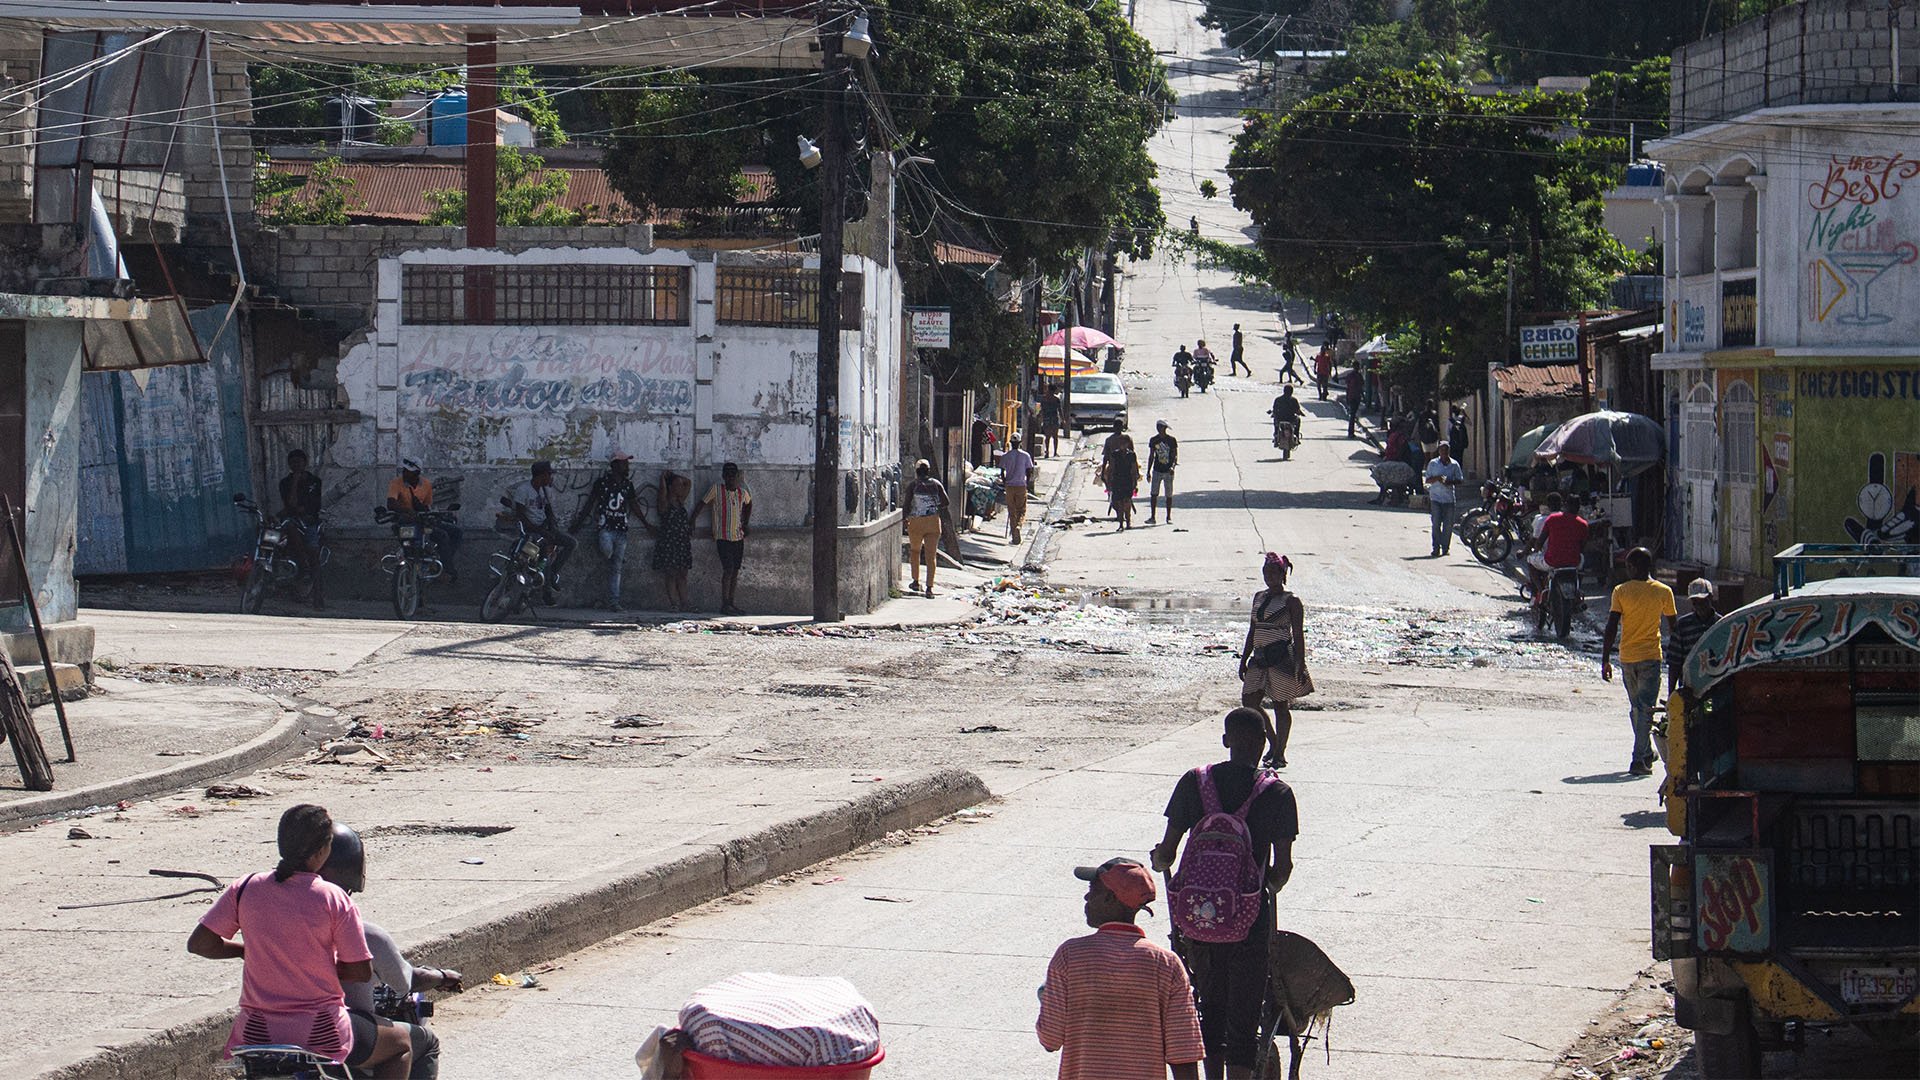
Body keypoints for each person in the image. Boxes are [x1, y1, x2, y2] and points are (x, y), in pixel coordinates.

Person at [187, 804, 412, 1078]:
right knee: (402, 1044)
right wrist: (316, 965)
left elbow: (200, 944)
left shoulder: (245, 887)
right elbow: (360, 971)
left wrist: (246, 951)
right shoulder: (333, 898)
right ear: (321, 852)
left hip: (255, 1033)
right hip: (321, 1032)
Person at [1152, 708, 1300, 1080]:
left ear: (1225, 740)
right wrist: (1265, 886)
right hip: (1249, 923)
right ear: (1264, 744)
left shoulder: (1194, 781)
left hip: (1197, 922)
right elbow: (1282, 869)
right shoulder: (1278, 792)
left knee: (1208, 1009)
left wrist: (1160, 859)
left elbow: (1167, 853)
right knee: (1244, 1016)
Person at [1037, 858, 1204, 1080]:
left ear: (1110, 898)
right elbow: (1183, 1053)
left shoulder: (1070, 956)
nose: (1087, 897)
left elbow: (1050, 1039)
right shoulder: (1166, 964)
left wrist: (1049, 1000)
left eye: (1092, 890)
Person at [318, 823, 458, 1080]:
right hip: (333, 1029)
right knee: (421, 1043)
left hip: (264, 1030)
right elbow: (407, 981)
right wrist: (441, 976)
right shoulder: (365, 933)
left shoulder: (272, 924)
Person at [1602, 547, 1678, 776]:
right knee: (1643, 710)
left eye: (1628, 566)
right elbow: (1674, 627)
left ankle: (1641, 756)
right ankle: (1642, 755)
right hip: (1651, 658)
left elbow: (1611, 626)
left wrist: (1605, 659)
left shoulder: (1621, 591)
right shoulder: (1664, 591)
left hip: (1627, 658)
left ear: (1634, 567)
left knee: (1638, 709)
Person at [1239, 553, 1312, 769]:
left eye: (1274, 572)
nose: (1269, 577)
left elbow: (1298, 635)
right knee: (1249, 702)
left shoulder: (1292, 601)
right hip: (1259, 656)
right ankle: (1272, 741)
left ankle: (1280, 752)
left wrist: (1300, 663)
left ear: (1283, 574)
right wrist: (1244, 658)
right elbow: (1252, 630)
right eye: (1266, 572)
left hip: (1281, 657)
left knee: (1281, 705)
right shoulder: (1259, 597)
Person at [569, 452, 642, 612]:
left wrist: (646, 524)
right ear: (615, 465)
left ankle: (614, 602)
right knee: (608, 553)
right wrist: (578, 523)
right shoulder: (601, 483)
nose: (627, 466)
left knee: (616, 568)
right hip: (605, 528)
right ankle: (617, 559)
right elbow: (590, 503)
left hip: (621, 530)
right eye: (624, 463)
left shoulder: (627, 485)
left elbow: (634, 505)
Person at [510, 460, 576, 606]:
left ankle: (552, 574)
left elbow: (547, 510)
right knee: (544, 554)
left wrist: (551, 526)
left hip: (543, 528)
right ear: (541, 475)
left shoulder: (544, 490)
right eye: (548, 475)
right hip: (530, 531)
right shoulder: (524, 490)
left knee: (570, 543)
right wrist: (540, 531)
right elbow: (520, 514)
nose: (550, 478)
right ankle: (546, 592)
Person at [387, 460, 460, 586]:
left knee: (456, 532)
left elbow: (427, 507)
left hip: (423, 521)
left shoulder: (426, 484)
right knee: (442, 535)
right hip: (406, 523)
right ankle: (446, 569)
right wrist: (408, 511)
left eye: (408, 472)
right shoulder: (396, 483)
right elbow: (391, 503)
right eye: (404, 471)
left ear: (417, 473)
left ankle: (444, 562)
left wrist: (428, 512)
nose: (404, 473)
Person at [694, 462, 753, 616]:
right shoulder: (717, 490)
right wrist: (692, 521)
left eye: (733, 476)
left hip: (737, 536)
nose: (730, 479)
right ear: (724, 476)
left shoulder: (742, 493)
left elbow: (749, 504)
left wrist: (745, 523)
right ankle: (725, 603)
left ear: (737, 477)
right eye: (728, 476)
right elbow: (702, 503)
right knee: (728, 570)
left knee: (735, 571)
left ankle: (731, 603)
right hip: (722, 536)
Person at [278, 449, 326, 608]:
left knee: (314, 554)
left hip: (310, 521)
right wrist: (295, 482)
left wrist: (303, 510)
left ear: (305, 463)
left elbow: (315, 505)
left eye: (299, 462)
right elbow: (290, 504)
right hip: (292, 519)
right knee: (285, 532)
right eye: (293, 463)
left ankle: (318, 598)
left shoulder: (314, 482)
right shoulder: (285, 483)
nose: (296, 465)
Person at [641, 471, 694, 613]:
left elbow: (688, 482)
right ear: (670, 487)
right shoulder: (664, 503)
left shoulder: (680, 501)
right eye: (677, 485)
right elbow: (662, 494)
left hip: (681, 542)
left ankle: (685, 603)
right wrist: (663, 479)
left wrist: (674, 475)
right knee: (671, 574)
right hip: (669, 542)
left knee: (682, 574)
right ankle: (674, 604)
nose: (680, 487)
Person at [903, 459, 950, 595]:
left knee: (915, 552)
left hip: (916, 522)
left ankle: (916, 581)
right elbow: (946, 501)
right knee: (931, 555)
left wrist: (904, 519)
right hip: (933, 522)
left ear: (917, 472)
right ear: (929, 471)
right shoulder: (936, 484)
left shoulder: (913, 485)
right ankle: (929, 588)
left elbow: (906, 504)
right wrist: (934, 506)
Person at [1667, 579, 1720, 694]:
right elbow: (1674, 663)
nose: (1699, 606)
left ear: (1711, 598)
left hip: (1717, 687)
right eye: (1695, 602)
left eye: (1703, 601)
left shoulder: (1721, 625)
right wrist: (1671, 694)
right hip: (1689, 689)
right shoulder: (1682, 626)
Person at [1423, 443, 1464, 557]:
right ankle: (1436, 548)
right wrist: (1437, 478)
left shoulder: (1454, 465)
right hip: (1435, 498)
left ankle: (1445, 548)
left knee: (1448, 525)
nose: (1444, 453)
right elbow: (1427, 480)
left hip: (1449, 499)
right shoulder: (1433, 464)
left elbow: (1460, 480)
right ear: (1439, 452)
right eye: (1442, 451)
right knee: (1436, 524)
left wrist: (1449, 482)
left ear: (1448, 452)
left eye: (1446, 451)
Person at [999, 440, 1036, 544]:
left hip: (1010, 486)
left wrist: (1005, 481)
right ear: (1020, 443)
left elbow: (1002, 471)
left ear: (1011, 443)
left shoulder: (1006, 456)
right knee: (1021, 510)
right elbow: (1029, 470)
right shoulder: (1025, 455)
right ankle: (1018, 526)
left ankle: (1015, 536)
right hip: (1021, 485)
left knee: (1011, 510)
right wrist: (1027, 482)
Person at [1104, 425, 1140, 530]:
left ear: (1127, 444)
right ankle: (1121, 524)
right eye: (1121, 443)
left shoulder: (1131, 455)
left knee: (1127, 502)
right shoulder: (1115, 454)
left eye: (1124, 443)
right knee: (1119, 503)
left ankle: (1128, 522)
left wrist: (1135, 483)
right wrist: (1109, 482)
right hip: (1117, 480)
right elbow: (1111, 468)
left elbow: (1134, 469)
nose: (1122, 445)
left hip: (1128, 480)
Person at [1146, 420, 1178, 524]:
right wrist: (1148, 471)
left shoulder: (1171, 440)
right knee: (1154, 494)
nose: (1160, 429)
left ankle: (1168, 516)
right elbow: (1151, 456)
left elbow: (1174, 455)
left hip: (1168, 470)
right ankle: (1152, 516)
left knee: (1168, 494)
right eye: (1158, 427)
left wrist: (1173, 467)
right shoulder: (1154, 440)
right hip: (1157, 469)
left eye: (1161, 427)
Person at [1268, 387, 1303, 454]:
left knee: (1275, 422)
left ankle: (1276, 435)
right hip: (1291, 419)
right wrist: (1300, 413)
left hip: (1280, 419)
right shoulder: (1294, 400)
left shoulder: (1278, 399)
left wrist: (1274, 414)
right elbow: (1297, 410)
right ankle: (1296, 435)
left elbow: (1275, 409)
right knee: (1298, 420)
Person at [1040, 385, 1064, 458]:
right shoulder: (1056, 399)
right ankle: (1055, 452)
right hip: (1054, 419)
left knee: (1047, 437)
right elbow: (1059, 410)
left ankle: (1047, 452)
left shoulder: (1044, 399)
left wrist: (1040, 419)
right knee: (1055, 436)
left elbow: (1042, 410)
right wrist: (1063, 419)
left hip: (1046, 419)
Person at [1343, 366, 1363, 439]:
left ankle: (1350, 431)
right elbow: (1361, 386)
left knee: (1352, 415)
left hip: (1351, 396)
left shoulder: (1350, 375)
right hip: (1356, 397)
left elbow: (1347, 386)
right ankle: (1351, 432)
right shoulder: (1359, 376)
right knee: (1353, 415)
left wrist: (1347, 397)